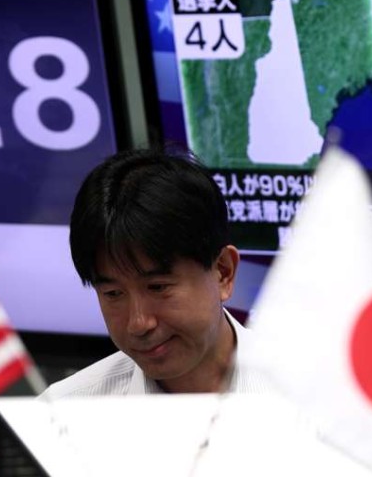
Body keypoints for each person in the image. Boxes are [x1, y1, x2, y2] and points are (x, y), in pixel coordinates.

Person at [40, 148, 271, 398]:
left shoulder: (303, 392)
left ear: (223, 272)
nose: (139, 324)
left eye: (158, 287)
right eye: (113, 293)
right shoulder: (64, 411)